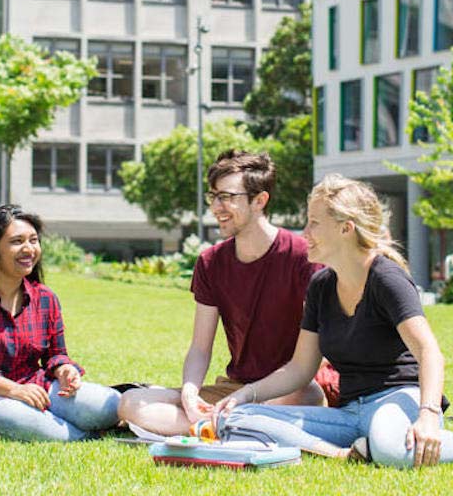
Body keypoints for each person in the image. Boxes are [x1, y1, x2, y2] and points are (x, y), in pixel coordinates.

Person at [211, 175, 453, 467]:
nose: (305, 232)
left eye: (314, 223)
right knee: (237, 420)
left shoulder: (386, 278)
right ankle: (345, 454)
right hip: (350, 412)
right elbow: (300, 369)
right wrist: (245, 395)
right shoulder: (321, 285)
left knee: (390, 447)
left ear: (346, 228)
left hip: (400, 401)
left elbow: (429, 353)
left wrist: (427, 416)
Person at [119, 150, 326, 436]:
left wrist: (250, 396)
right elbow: (200, 348)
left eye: (227, 197)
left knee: (308, 396)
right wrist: (190, 394)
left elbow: (307, 363)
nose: (217, 207)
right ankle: (231, 425)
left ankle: (220, 426)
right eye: (214, 196)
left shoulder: (303, 257)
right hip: (234, 390)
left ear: (259, 200)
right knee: (131, 403)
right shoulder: (210, 262)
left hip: (287, 389)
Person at [0, 204, 120, 441]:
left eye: (33, 240)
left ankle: (90, 424)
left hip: (36, 387)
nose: (28, 248)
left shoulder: (45, 298)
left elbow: (57, 354)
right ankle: (87, 435)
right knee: (29, 422)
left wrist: (65, 370)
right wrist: (14, 390)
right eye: (17, 241)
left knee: (109, 405)